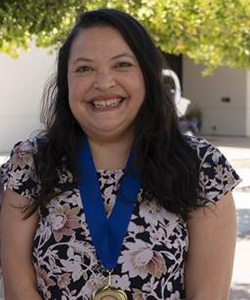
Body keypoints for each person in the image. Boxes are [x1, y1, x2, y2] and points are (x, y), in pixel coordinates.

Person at [0, 8, 241, 300]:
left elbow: (208, 294)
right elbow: (18, 289)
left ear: (148, 76)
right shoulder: (30, 163)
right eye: (84, 68)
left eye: (122, 64)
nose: (103, 83)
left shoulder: (202, 167)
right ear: (66, 83)